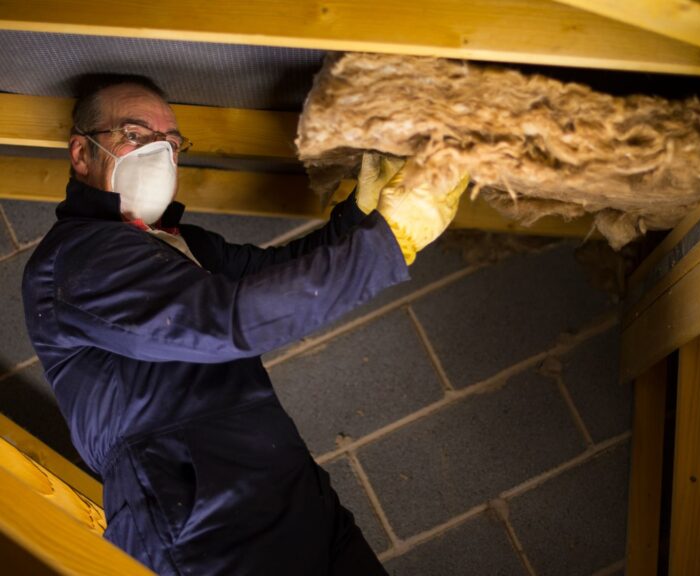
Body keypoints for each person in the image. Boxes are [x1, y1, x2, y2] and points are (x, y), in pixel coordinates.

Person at [22, 74, 467, 576]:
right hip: (198, 506)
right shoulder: (78, 258)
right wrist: (389, 241)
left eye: (171, 144)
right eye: (136, 135)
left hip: (281, 482)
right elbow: (226, 318)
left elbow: (276, 277)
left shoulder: (178, 243)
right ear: (82, 154)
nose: (161, 156)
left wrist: (363, 216)